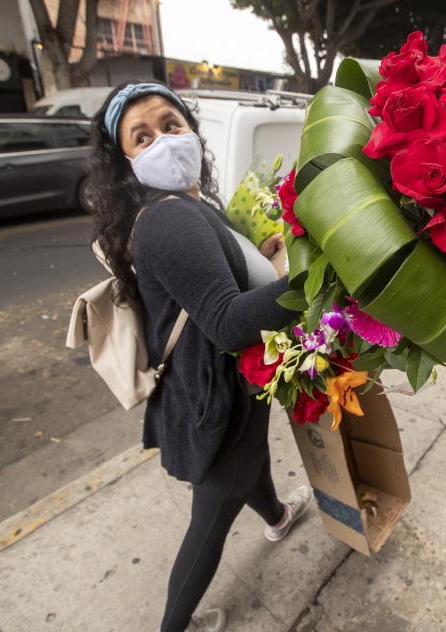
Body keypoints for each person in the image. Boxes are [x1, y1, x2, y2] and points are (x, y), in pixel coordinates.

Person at [86, 81, 313, 632]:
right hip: (215, 402)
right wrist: (316, 284)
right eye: (141, 137)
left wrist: (256, 256)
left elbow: (212, 278)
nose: (162, 140)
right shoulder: (169, 217)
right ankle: (174, 626)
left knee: (249, 464)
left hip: (219, 392)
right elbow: (228, 322)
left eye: (170, 124)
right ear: (125, 162)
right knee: (211, 520)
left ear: (190, 127)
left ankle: (279, 516)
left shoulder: (190, 202)